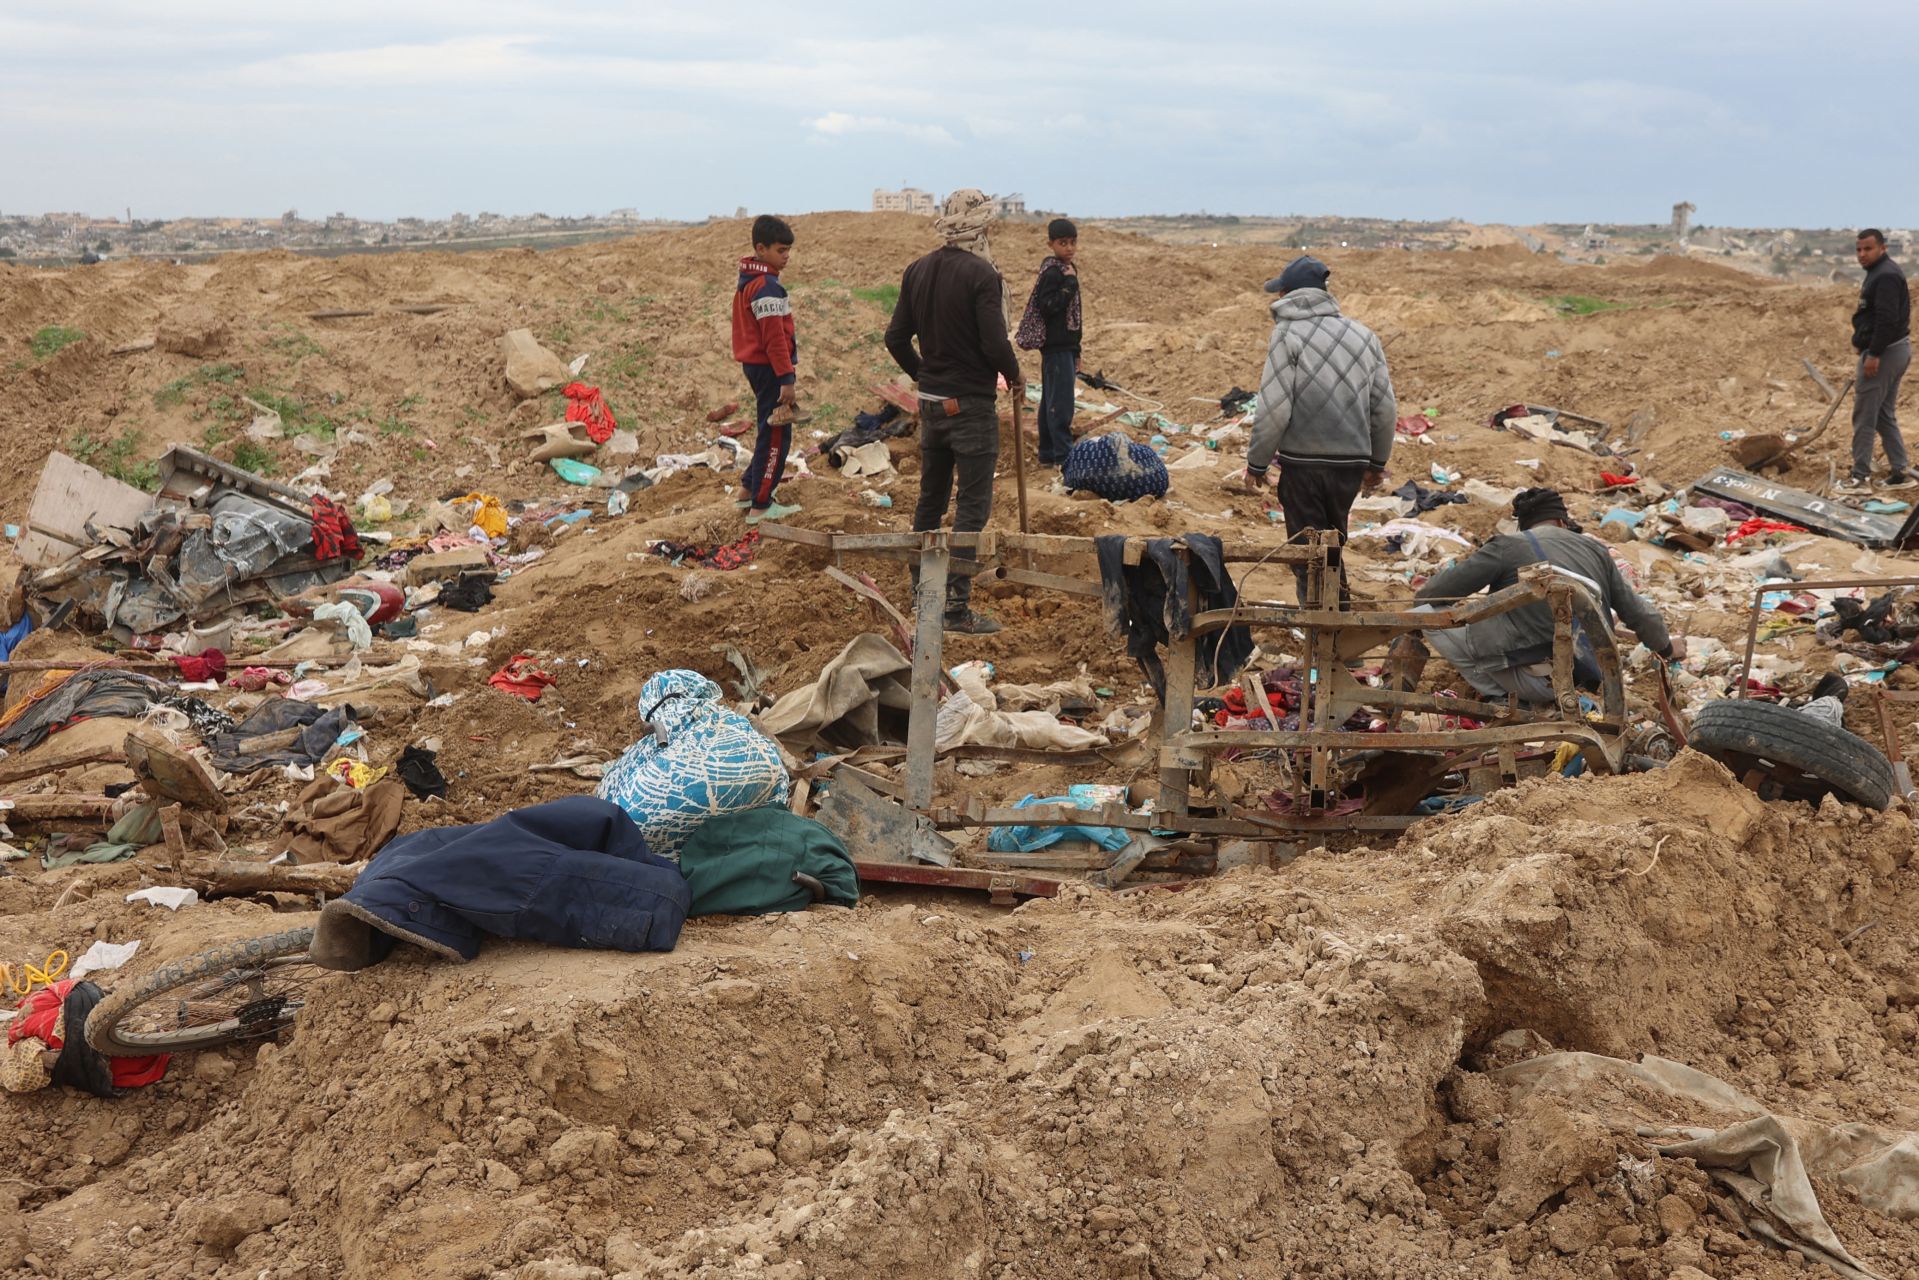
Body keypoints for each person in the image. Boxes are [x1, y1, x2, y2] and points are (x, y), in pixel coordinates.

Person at [884, 188, 1025, 635]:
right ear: (981, 224)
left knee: (930, 499)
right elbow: (993, 341)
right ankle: (954, 609)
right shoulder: (982, 275)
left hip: (932, 407)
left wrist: (925, 377)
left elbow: (895, 338)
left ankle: (921, 595)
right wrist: (1015, 376)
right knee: (971, 505)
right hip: (971, 406)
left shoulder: (918, 269)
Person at [1414, 487, 1684, 706]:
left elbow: (1433, 594)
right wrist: (1667, 649)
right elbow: (1640, 614)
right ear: (1561, 522)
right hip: (1585, 679)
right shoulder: (1597, 552)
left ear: (1524, 526)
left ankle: (1498, 695)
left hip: (1533, 682)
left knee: (1424, 613)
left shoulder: (1508, 546)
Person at [1243, 255, 1395, 604]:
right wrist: (1376, 464)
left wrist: (1257, 464)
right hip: (1350, 466)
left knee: (1309, 556)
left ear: (1286, 293)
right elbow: (1384, 408)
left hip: (1304, 465)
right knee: (1330, 547)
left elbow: (1274, 408)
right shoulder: (1364, 336)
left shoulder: (1286, 335)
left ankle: (1327, 641)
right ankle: (1336, 636)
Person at [595, 670, 791, 860]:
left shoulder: (651, 747)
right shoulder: (728, 722)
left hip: (649, 851)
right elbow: (775, 767)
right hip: (760, 819)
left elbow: (610, 809)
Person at [731, 214, 803, 524]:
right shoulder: (767, 287)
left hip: (755, 366)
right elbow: (774, 338)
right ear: (761, 249)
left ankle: (749, 489)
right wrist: (786, 379)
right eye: (780, 250)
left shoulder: (749, 280)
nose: (786, 257)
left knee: (765, 427)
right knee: (777, 434)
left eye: (788, 251)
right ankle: (761, 504)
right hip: (770, 369)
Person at [1837, 229, 1916, 495]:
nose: (1862, 255)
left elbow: (1887, 319)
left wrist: (1873, 354)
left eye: (1867, 249)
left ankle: (1859, 478)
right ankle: (1900, 472)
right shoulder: (1880, 273)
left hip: (1885, 353)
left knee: (1864, 416)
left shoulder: (1885, 276)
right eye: (1858, 250)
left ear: (1882, 248)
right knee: (1883, 414)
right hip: (1894, 350)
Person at [1017, 217, 1083, 467]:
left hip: (1064, 347)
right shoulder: (1055, 273)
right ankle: (1063, 458)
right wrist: (1069, 285)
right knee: (1060, 404)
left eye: (1073, 242)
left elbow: (1075, 320)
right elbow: (1048, 306)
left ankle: (1047, 455)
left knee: (1051, 401)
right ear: (1050, 244)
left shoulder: (1065, 269)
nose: (1069, 248)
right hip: (1055, 348)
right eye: (1063, 243)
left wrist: (1077, 350)